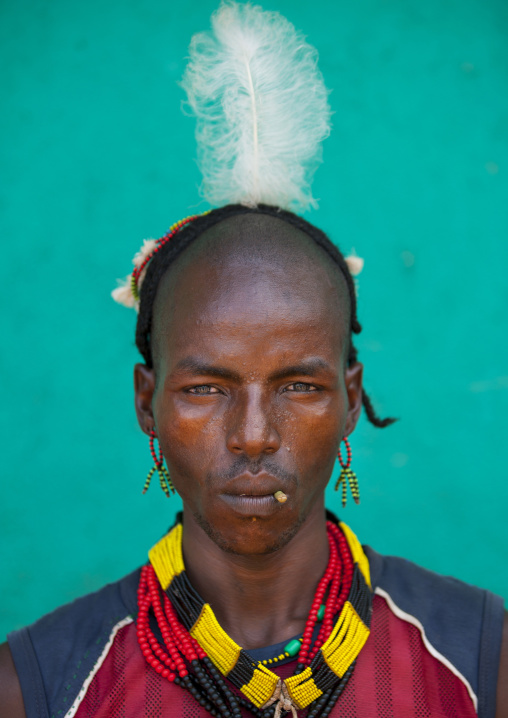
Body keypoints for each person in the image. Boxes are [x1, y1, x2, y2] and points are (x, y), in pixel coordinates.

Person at [1, 3, 506, 717]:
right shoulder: (39, 687)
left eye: (298, 385)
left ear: (351, 399)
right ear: (146, 402)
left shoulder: (482, 663)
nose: (253, 435)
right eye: (206, 389)